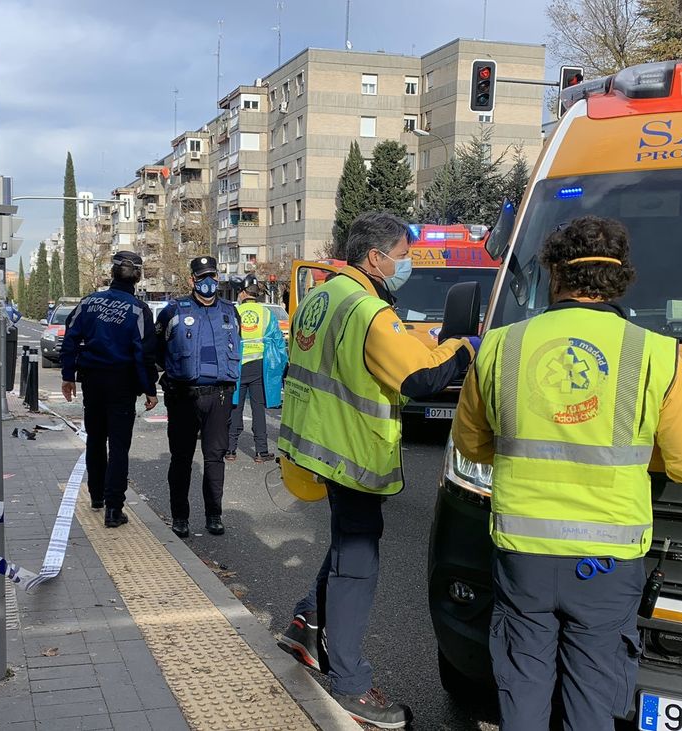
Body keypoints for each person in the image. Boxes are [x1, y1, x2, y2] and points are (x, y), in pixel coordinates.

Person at [452, 216, 682, 731]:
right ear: (620, 279)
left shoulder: (502, 345)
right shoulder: (654, 353)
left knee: (522, 689)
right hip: (606, 562)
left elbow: (471, 445)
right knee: (593, 699)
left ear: (554, 272)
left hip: (524, 555)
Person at [276, 212, 476, 729]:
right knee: (357, 565)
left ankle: (306, 623)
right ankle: (350, 684)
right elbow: (421, 378)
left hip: (318, 442)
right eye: (402, 256)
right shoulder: (367, 310)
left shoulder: (322, 295)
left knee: (346, 547)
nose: (405, 264)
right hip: (352, 452)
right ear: (375, 258)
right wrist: (462, 347)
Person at [60, 250, 159, 528]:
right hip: (122, 383)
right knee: (118, 446)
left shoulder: (89, 302)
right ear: (138, 277)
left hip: (92, 380)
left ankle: (96, 496)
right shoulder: (139, 310)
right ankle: (114, 509)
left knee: (95, 438)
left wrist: (68, 376)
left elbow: (70, 339)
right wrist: (149, 389)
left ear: (111, 273)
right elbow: (144, 354)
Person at [155, 256, 241, 538]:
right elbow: (155, 352)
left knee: (215, 457)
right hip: (183, 396)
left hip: (218, 396)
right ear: (192, 280)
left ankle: (214, 515)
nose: (208, 282)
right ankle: (180, 517)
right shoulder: (173, 311)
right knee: (181, 458)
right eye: (202, 276)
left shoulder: (230, 311)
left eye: (212, 276)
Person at [226, 273, 286, 462]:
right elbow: (278, 343)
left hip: (237, 366)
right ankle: (261, 451)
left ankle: (230, 450)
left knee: (235, 406)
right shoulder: (266, 313)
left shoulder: (234, 312)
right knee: (258, 409)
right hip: (260, 366)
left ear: (243, 293)